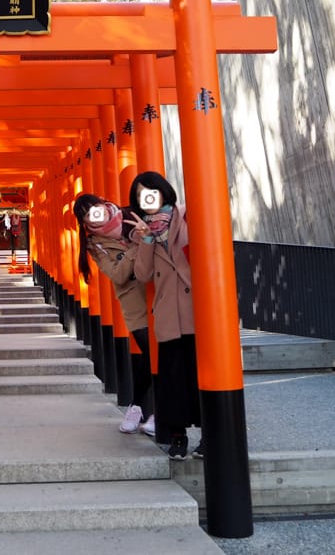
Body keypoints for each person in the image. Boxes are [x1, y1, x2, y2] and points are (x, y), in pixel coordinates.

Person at [126, 171, 203, 460]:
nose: (146, 199)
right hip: (169, 312)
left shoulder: (185, 216)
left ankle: (209, 434)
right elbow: (143, 274)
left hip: (196, 307)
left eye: (151, 192)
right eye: (140, 196)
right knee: (172, 379)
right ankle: (178, 437)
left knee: (199, 373)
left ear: (163, 192)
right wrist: (145, 240)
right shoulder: (142, 233)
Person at [73, 193, 154, 435]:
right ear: (84, 221)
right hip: (135, 303)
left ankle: (141, 407)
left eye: (95, 207)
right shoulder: (94, 244)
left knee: (159, 355)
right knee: (152, 353)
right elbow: (118, 275)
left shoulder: (132, 215)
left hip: (159, 292)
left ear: (102, 204)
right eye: (88, 214)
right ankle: (141, 407)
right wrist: (138, 244)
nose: (95, 214)